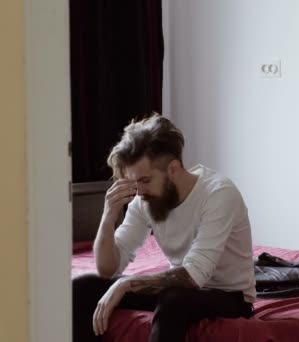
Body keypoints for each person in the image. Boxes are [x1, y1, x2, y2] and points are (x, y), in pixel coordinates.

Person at [72, 114, 256, 342]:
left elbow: (193, 275)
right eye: (134, 182)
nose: (138, 191)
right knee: (81, 289)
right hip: (179, 289)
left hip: (230, 296)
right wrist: (108, 214)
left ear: (173, 169)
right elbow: (107, 269)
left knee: (173, 301)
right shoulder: (144, 200)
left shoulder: (218, 193)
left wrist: (127, 284)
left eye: (145, 181)